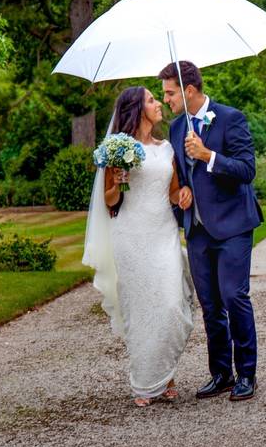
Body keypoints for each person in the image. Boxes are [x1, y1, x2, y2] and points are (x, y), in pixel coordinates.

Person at [82, 86, 194, 407]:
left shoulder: (167, 148)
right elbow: (110, 201)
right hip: (130, 234)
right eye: (151, 100)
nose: (158, 103)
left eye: (157, 98)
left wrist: (183, 195)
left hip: (163, 233)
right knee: (141, 307)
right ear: (136, 109)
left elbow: (173, 192)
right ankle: (149, 380)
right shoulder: (117, 149)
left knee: (172, 305)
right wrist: (116, 182)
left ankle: (164, 370)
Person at [159, 61, 263, 402]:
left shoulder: (231, 118)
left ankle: (246, 373)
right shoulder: (176, 129)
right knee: (210, 304)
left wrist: (208, 155)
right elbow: (181, 179)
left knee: (234, 297)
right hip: (198, 229)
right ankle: (220, 373)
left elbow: (247, 170)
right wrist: (181, 195)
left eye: (170, 93)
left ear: (190, 91)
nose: (166, 100)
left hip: (233, 225)